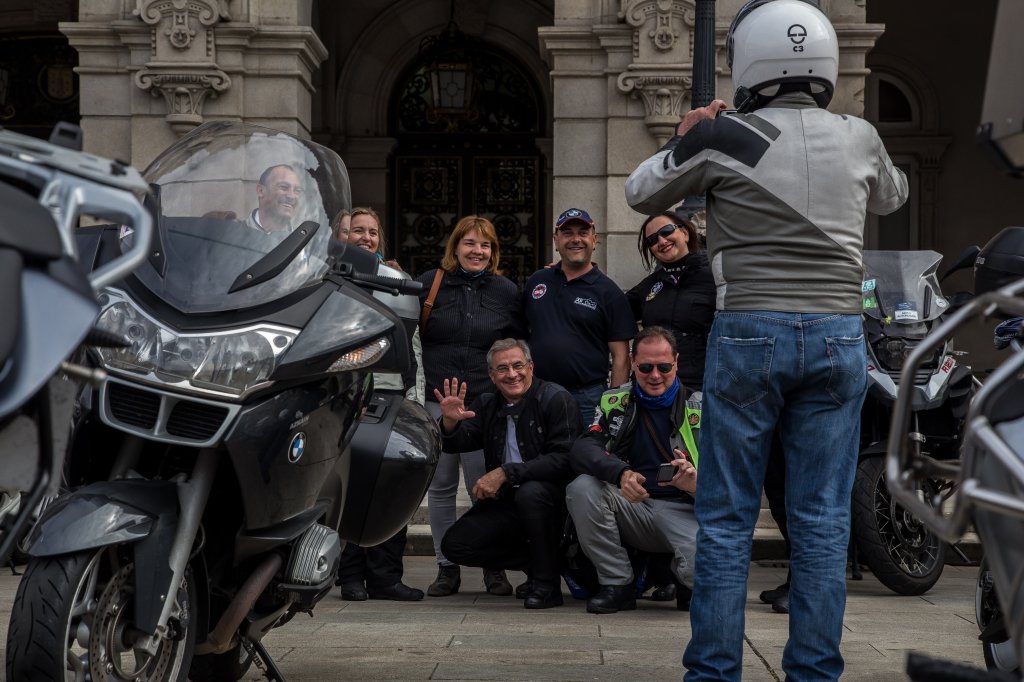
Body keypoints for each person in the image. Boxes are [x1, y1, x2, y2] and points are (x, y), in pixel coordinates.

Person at [624, 1, 909, 679]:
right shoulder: (859, 134)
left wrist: (688, 134)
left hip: (751, 330)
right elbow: (892, 197)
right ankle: (814, 671)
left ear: (749, 61)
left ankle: (715, 672)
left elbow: (641, 192)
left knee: (725, 519)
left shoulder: (729, 135)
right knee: (820, 519)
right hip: (838, 334)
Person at [416, 215, 526, 598]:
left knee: (487, 487)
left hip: (486, 406)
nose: (478, 251)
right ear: (455, 247)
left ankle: (493, 567)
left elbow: (518, 345)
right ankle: (447, 567)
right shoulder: (430, 284)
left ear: (493, 251)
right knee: (442, 487)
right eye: (470, 243)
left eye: (486, 245)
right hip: (437, 404)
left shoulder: (506, 291)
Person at [434, 339, 582, 609]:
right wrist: (450, 422)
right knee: (456, 545)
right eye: (502, 369)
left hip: (553, 502)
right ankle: (547, 563)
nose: (512, 374)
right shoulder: (489, 403)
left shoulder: (555, 398)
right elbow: (457, 442)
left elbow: (564, 460)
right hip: (508, 502)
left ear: (531, 367)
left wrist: (506, 472)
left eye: (518, 366)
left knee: (531, 492)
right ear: (492, 376)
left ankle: (547, 586)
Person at [565, 326, 700, 615]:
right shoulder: (614, 400)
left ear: (676, 362)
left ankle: (680, 577)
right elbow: (583, 449)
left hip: (686, 508)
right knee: (582, 488)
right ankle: (618, 585)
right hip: (633, 505)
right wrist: (621, 473)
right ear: (631, 363)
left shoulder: (702, 407)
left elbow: (732, 479)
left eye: (664, 366)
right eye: (646, 367)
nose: (655, 375)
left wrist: (695, 484)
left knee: (701, 580)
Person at [336, 206, 422, 602]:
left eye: (372, 232)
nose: (366, 238)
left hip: (389, 393)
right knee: (351, 484)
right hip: (343, 395)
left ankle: (386, 577)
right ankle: (350, 576)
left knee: (387, 479)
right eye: (358, 231)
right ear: (343, 236)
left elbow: (407, 338)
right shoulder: (330, 274)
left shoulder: (395, 278)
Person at [522, 207, 635, 422]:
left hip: (587, 398)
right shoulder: (537, 281)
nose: (576, 239)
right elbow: (521, 335)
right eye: (567, 233)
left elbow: (621, 357)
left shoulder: (609, 292)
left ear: (594, 240)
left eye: (582, 233)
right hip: (536, 393)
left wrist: (612, 406)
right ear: (556, 240)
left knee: (584, 455)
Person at [626, 212, 715, 392]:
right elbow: (609, 308)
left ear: (685, 233)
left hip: (705, 386)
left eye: (666, 231)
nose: (661, 240)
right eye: (652, 240)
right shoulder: (648, 286)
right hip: (657, 386)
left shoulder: (715, 275)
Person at [247, 164, 303, 233]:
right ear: (260, 191)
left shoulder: (307, 241)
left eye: (297, 190)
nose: (291, 196)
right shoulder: (233, 235)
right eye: (284, 187)